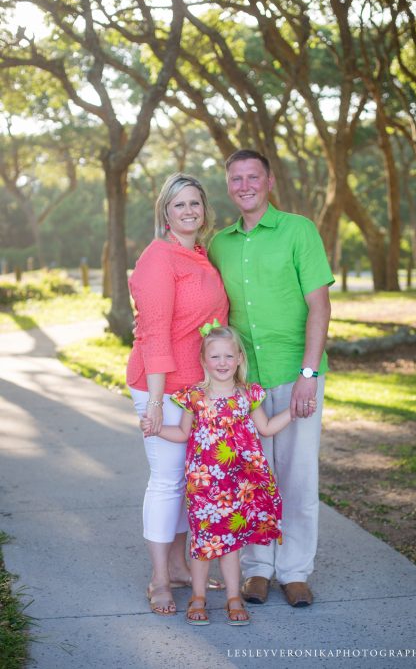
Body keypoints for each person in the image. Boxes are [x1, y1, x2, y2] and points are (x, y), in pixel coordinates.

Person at [208, 150, 334, 608]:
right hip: (245, 384)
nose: (245, 185)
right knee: (253, 478)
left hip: (294, 372)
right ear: (228, 185)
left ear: (269, 181)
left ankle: (295, 571)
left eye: (252, 177)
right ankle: (259, 569)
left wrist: (308, 373)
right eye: (236, 178)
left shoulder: (298, 230)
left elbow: (320, 307)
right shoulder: (219, 243)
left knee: (297, 478)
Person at [126, 172, 229, 616]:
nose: (189, 211)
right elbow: (153, 333)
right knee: (167, 481)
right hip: (161, 386)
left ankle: (183, 566)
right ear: (164, 212)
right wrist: (153, 402)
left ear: (204, 210)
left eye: (195, 204)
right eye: (179, 204)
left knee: (190, 482)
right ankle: (159, 579)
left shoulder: (200, 256)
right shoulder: (158, 258)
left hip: (196, 387)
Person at [143, 324, 293, 625]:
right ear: (204, 360)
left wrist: (295, 412)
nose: (222, 362)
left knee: (232, 542)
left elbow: (265, 428)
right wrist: (157, 429)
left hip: (239, 484)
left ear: (239, 358)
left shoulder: (248, 394)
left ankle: (233, 597)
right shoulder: (194, 396)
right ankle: (198, 597)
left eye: (228, 355)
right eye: (215, 356)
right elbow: (184, 433)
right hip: (205, 485)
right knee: (203, 542)